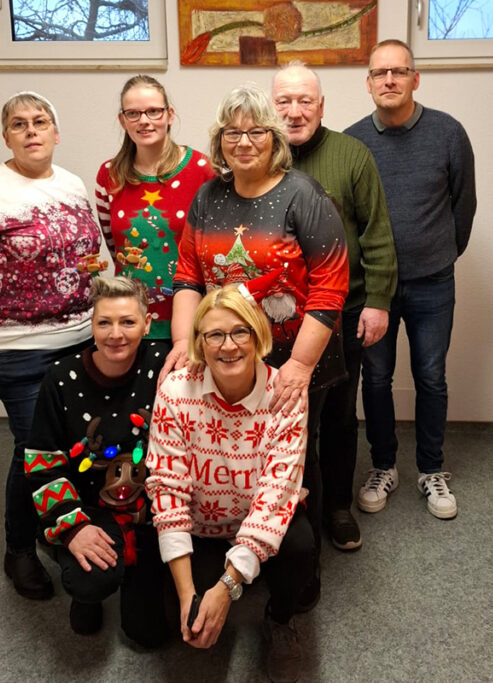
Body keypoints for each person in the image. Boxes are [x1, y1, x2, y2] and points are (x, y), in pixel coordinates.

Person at [165, 84, 348, 608]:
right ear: (219, 140)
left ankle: (293, 590)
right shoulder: (208, 195)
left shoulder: (302, 195)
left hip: (293, 359)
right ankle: (237, 556)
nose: (243, 142)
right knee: (227, 462)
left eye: (255, 132)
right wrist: (184, 342)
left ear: (274, 139)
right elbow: (187, 274)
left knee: (291, 474)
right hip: (224, 357)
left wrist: (298, 366)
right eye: (232, 132)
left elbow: (331, 283)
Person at [0, 91, 102, 600]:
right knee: (33, 447)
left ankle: (61, 526)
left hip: (80, 336)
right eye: (18, 124)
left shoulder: (73, 185)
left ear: (56, 132)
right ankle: (20, 549)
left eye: (40, 121)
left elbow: (91, 255)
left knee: (74, 441)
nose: (31, 131)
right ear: (6, 136)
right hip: (17, 346)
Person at [147, 286, 312, 683]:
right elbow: (168, 490)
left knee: (302, 551)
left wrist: (226, 587)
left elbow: (275, 499)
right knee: (152, 628)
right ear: (200, 343)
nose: (228, 345)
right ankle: (217, 580)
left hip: (258, 523)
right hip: (200, 526)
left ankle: (278, 617)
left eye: (240, 332)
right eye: (214, 335)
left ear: (258, 336)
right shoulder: (175, 390)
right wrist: (188, 593)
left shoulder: (286, 395)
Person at [345, 40, 476, 520]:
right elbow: (347, 217)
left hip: (432, 284)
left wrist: (438, 254)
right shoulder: (353, 141)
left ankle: (431, 469)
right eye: (380, 73)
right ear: (369, 83)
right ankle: (383, 465)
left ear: (415, 79)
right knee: (376, 377)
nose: (389, 81)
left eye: (399, 72)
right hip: (374, 289)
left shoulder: (448, 133)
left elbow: (463, 206)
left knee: (431, 376)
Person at [271, 62, 398, 551]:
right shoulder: (257, 154)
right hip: (277, 315)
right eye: (284, 101)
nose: (295, 111)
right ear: (271, 105)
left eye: (306, 101)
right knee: (281, 414)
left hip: (343, 312)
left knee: (339, 416)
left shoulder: (352, 155)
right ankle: (286, 508)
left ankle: (338, 506)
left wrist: (379, 302)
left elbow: (378, 233)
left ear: (322, 106)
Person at [24, 276, 169, 646]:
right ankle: (85, 589)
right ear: (91, 325)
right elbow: (42, 463)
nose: (115, 334)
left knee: (149, 635)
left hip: (152, 509)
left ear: (148, 324)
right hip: (89, 507)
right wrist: (73, 527)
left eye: (128, 322)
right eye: (104, 322)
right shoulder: (60, 379)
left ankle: (138, 573)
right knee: (89, 582)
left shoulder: (164, 361)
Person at [94, 75, 215, 340]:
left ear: (170, 115)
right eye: (134, 113)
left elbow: (212, 249)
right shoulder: (108, 175)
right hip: (128, 323)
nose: (144, 121)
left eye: (153, 111)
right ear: (122, 120)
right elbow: (116, 248)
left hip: (192, 320)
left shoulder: (202, 170)